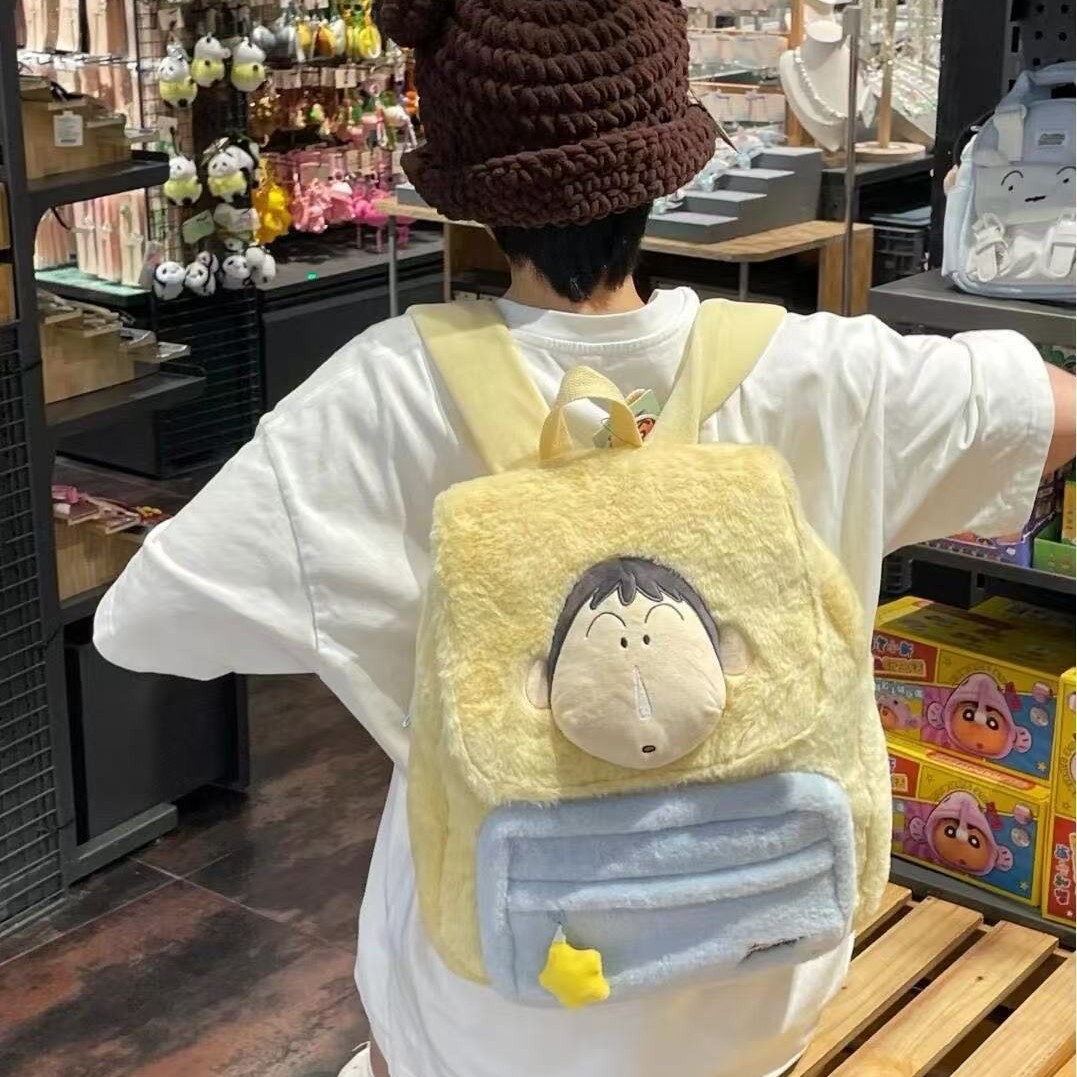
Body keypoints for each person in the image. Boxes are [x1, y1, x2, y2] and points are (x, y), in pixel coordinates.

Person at [94, 2, 1076, 1076]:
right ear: (667, 162)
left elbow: (143, 623)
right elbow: (1051, 410)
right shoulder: (824, 373)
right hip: (755, 982)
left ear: (470, 186)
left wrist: (365, 631)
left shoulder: (380, 394)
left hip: (500, 1002)